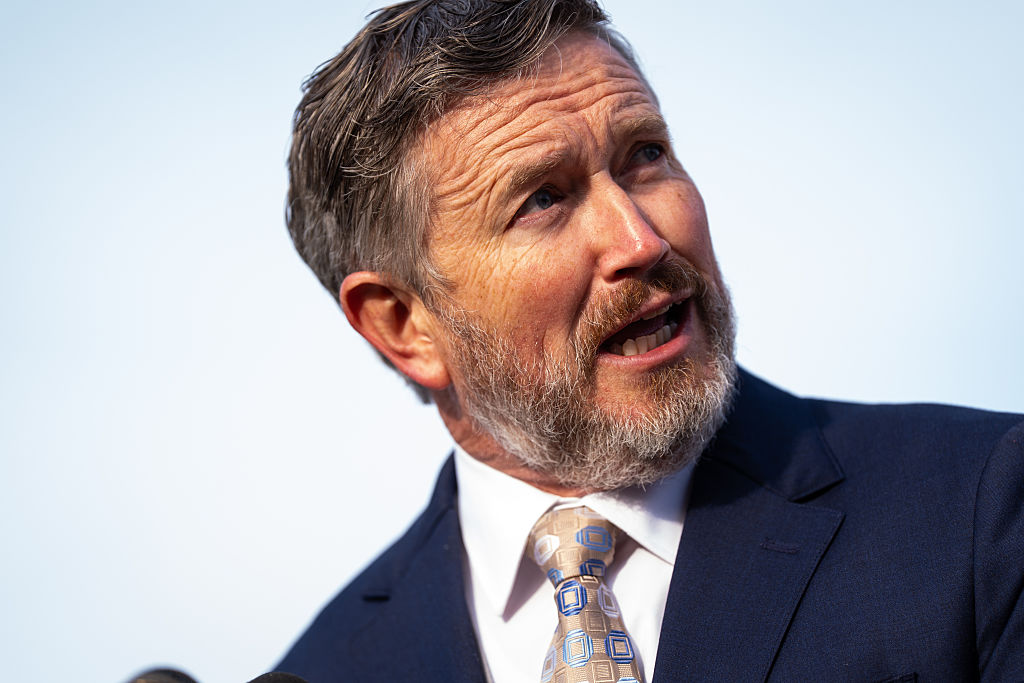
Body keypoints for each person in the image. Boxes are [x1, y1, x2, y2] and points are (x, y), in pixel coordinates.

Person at [274, 0, 1023, 680]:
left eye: (645, 155)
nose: (640, 240)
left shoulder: (977, 511)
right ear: (403, 325)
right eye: (543, 199)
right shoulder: (328, 667)